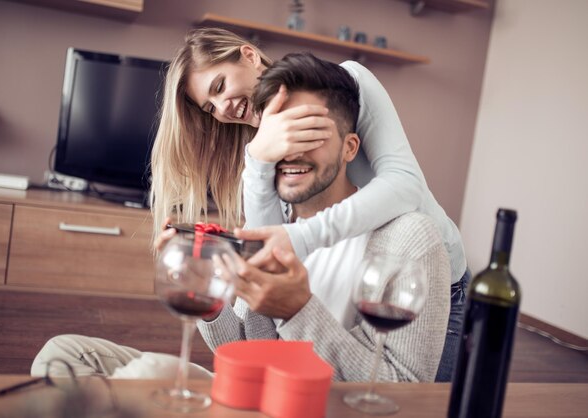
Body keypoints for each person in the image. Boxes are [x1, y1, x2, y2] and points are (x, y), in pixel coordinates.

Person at [31, 53, 450, 383]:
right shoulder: (276, 223)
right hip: (249, 385)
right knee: (63, 354)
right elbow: (253, 346)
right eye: (275, 136)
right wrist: (211, 298)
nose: (289, 149)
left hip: (313, 396)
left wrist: (298, 308)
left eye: (305, 130)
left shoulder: (405, 240)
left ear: (350, 147)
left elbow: (393, 391)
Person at [151, 27, 467, 381]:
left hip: (417, 272)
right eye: (210, 107)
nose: (222, 108)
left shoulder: (346, 84)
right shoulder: (261, 150)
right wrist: (256, 160)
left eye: (220, 86)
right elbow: (267, 255)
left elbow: (404, 184)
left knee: (415, 401)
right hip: (337, 273)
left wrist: (300, 238)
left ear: (249, 56)